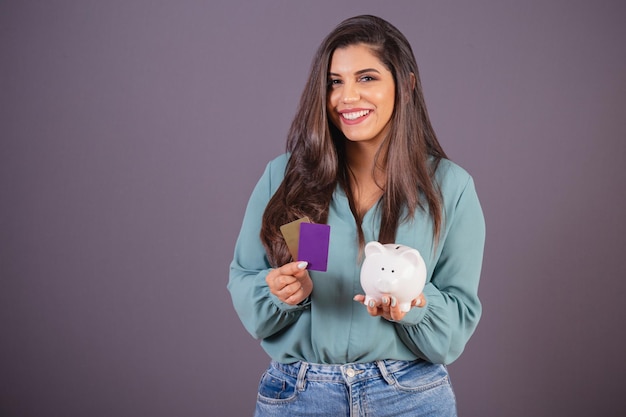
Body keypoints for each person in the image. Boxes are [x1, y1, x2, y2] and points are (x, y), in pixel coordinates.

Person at [228, 14, 485, 417]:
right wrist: (277, 292)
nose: (347, 97)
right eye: (335, 81)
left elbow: (455, 327)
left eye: (366, 78)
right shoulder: (285, 176)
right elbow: (246, 285)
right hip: (298, 398)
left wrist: (412, 305)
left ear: (406, 83)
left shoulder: (450, 188)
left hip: (409, 398)